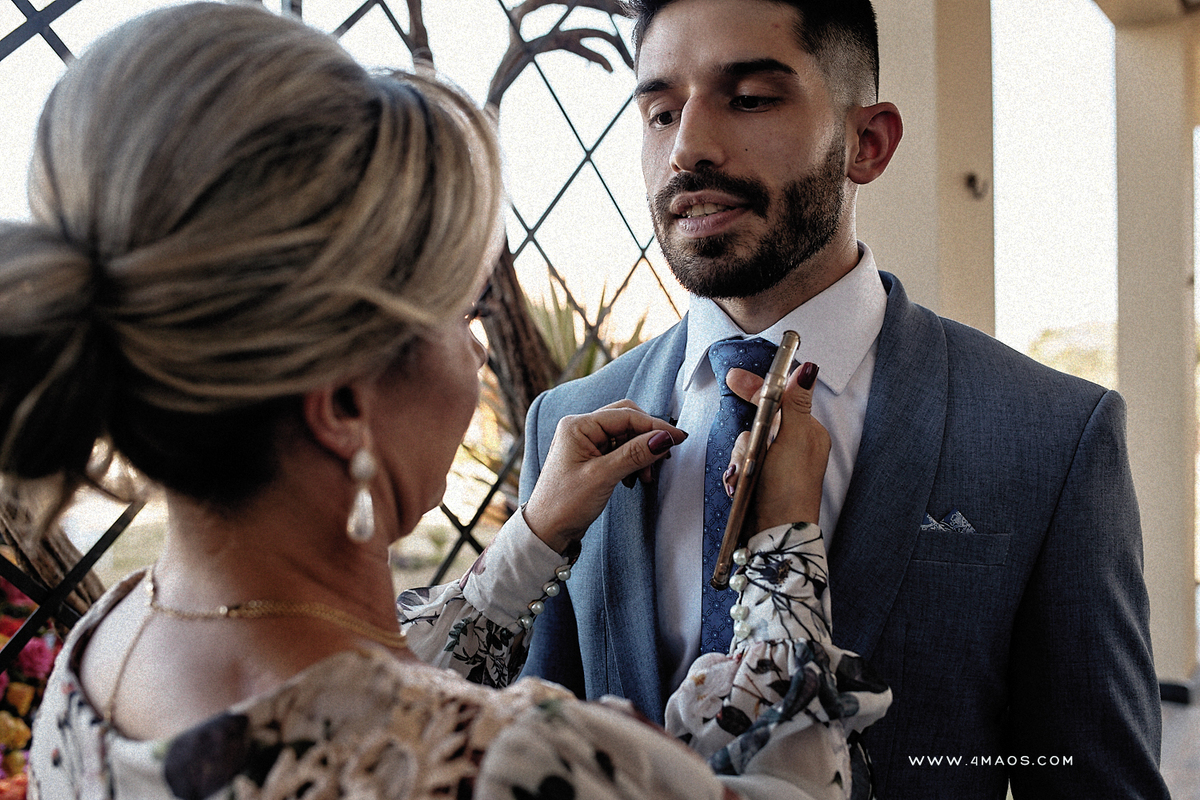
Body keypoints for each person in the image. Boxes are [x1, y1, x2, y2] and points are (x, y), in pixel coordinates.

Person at [1, 3, 890, 798]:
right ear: (343, 402)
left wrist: (530, 542)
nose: (476, 348)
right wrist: (782, 549)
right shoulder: (514, 764)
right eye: (459, 314)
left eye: (751, 98)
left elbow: (350, 686)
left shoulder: (98, 658)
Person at [518, 0, 1169, 797]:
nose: (687, 147)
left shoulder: (1053, 435)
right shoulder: (565, 423)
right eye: (660, 113)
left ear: (868, 143)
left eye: (749, 99)